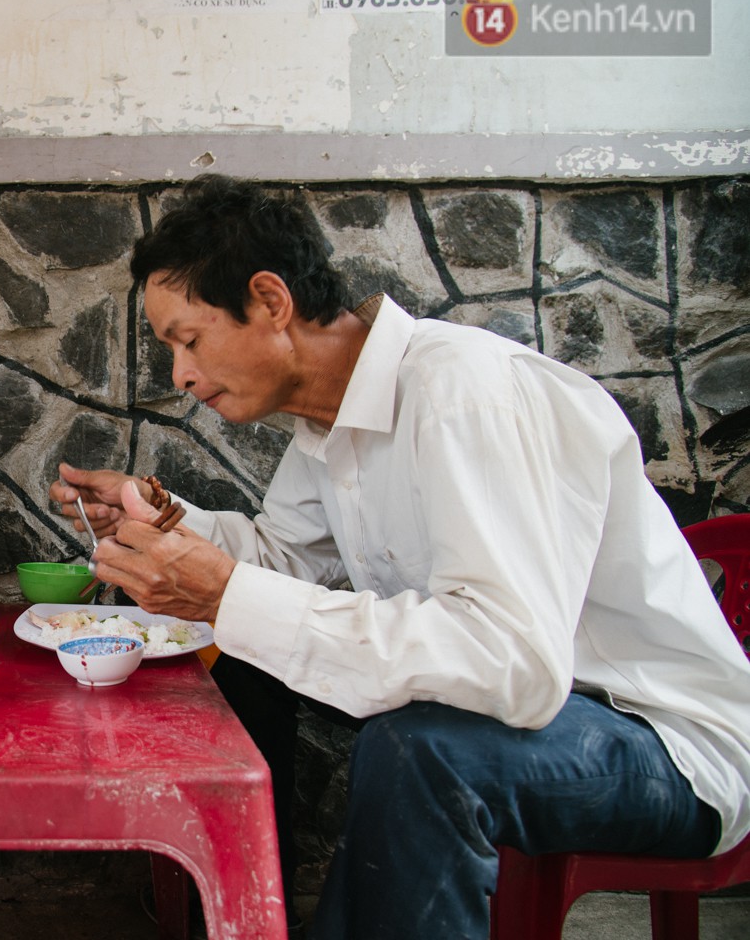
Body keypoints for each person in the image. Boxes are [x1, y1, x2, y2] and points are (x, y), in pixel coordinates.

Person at [50, 174, 750, 938]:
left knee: (420, 754)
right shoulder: (328, 423)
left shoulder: (464, 393)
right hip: (517, 709)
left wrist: (226, 595)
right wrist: (170, 523)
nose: (181, 375)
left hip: (657, 738)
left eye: (190, 339)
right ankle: (256, 917)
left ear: (271, 301)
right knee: (243, 648)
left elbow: (513, 662)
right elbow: (280, 561)